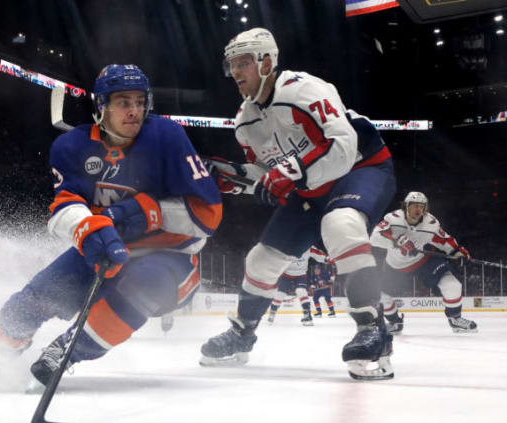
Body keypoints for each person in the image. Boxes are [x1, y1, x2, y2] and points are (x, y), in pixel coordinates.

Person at [0, 64, 222, 387]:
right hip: (104, 251)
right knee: (28, 303)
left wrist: (133, 213)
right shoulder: (72, 147)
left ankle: (68, 350)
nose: (135, 111)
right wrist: (90, 232)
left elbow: (207, 214)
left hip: (170, 257)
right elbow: (62, 209)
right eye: (124, 102)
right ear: (101, 106)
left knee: (142, 284)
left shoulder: (166, 137)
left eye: (140, 102)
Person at [199, 28, 397, 380]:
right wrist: (233, 178)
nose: (236, 73)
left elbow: (343, 146)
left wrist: (290, 172)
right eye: (232, 66)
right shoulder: (244, 122)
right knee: (261, 260)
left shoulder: (305, 89)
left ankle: (372, 329)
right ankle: (242, 333)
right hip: (310, 188)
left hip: (359, 168)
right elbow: (266, 174)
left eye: (243, 63)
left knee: (340, 224)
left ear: (267, 61)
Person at [370, 191, 477, 334]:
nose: (418, 210)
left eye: (421, 206)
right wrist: (396, 242)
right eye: (414, 205)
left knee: (452, 285)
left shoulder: (431, 223)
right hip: (395, 266)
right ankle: (395, 322)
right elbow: (373, 237)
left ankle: (455, 319)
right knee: (381, 296)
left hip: (423, 261)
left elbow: (444, 240)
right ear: (406, 206)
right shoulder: (393, 219)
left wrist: (457, 252)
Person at [266, 246, 327, 326]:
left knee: (301, 291)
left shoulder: (307, 247)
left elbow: (318, 254)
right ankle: (272, 312)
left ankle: (307, 315)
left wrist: (327, 259)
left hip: (301, 274)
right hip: (286, 274)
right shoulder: (285, 246)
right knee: (280, 294)